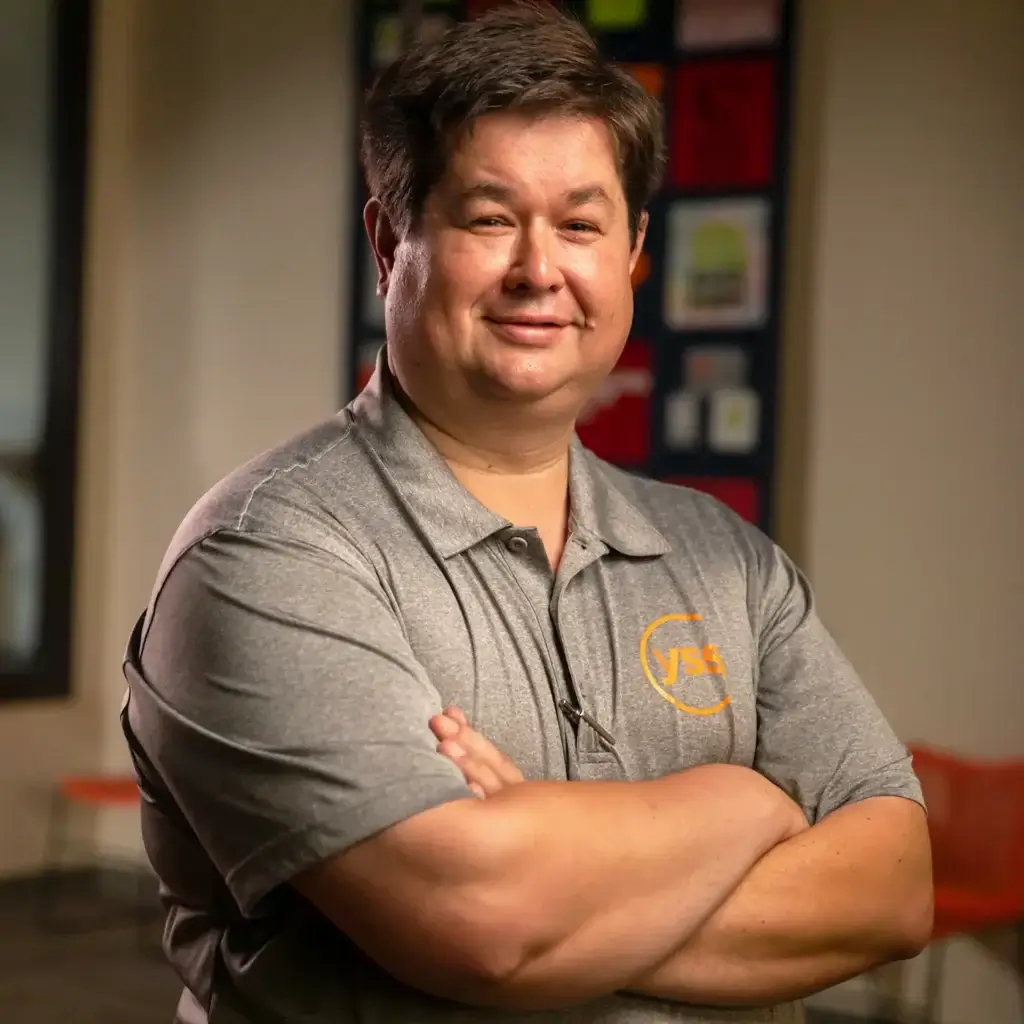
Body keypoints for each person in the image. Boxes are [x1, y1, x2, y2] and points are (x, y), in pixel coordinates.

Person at [120, 4, 933, 1023]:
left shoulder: (726, 560)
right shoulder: (267, 553)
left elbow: (894, 888)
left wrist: (563, 867)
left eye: (582, 224)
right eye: (488, 217)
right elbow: (484, 926)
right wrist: (746, 803)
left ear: (633, 250)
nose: (538, 269)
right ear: (389, 240)